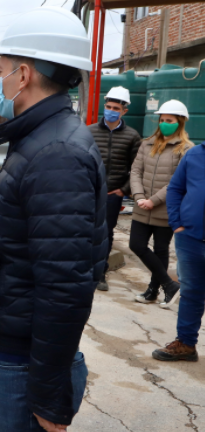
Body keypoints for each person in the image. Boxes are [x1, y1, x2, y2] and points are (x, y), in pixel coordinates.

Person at [0, 7, 106, 432]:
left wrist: (48, 393)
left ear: (24, 75)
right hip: (8, 349)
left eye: (2, 68)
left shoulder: (57, 154)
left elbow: (66, 285)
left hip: (24, 364)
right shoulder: (41, 140)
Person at [129, 100, 192, 307]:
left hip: (166, 208)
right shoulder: (147, 144)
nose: (164, 123)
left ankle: (153, 291)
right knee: (136, 245)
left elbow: (177, 181)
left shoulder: (186, 149)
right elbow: (136, 171)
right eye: (162, 120)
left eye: (170, 120)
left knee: (161, 249)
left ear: (179, 123)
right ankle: (169, 285)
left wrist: (153, 200)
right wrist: (139, 197)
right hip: (141, 205)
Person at [156, 132, 205, 361]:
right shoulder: (194, 155)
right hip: (191, 239)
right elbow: (175, 188)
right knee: (191, 292)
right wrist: (176, 223)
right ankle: (186, 344)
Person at [88, 86, 141, 291]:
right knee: (83, 230)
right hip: (89, 191)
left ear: (124, 111)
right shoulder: (89, 131)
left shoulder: (132, 136)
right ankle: (83, 270)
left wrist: (123, 190)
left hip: (112, 194)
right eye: (108, 106)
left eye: (116, 108)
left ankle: (101, 272)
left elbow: (137, 167)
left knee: (105, 233)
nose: (111, 111)